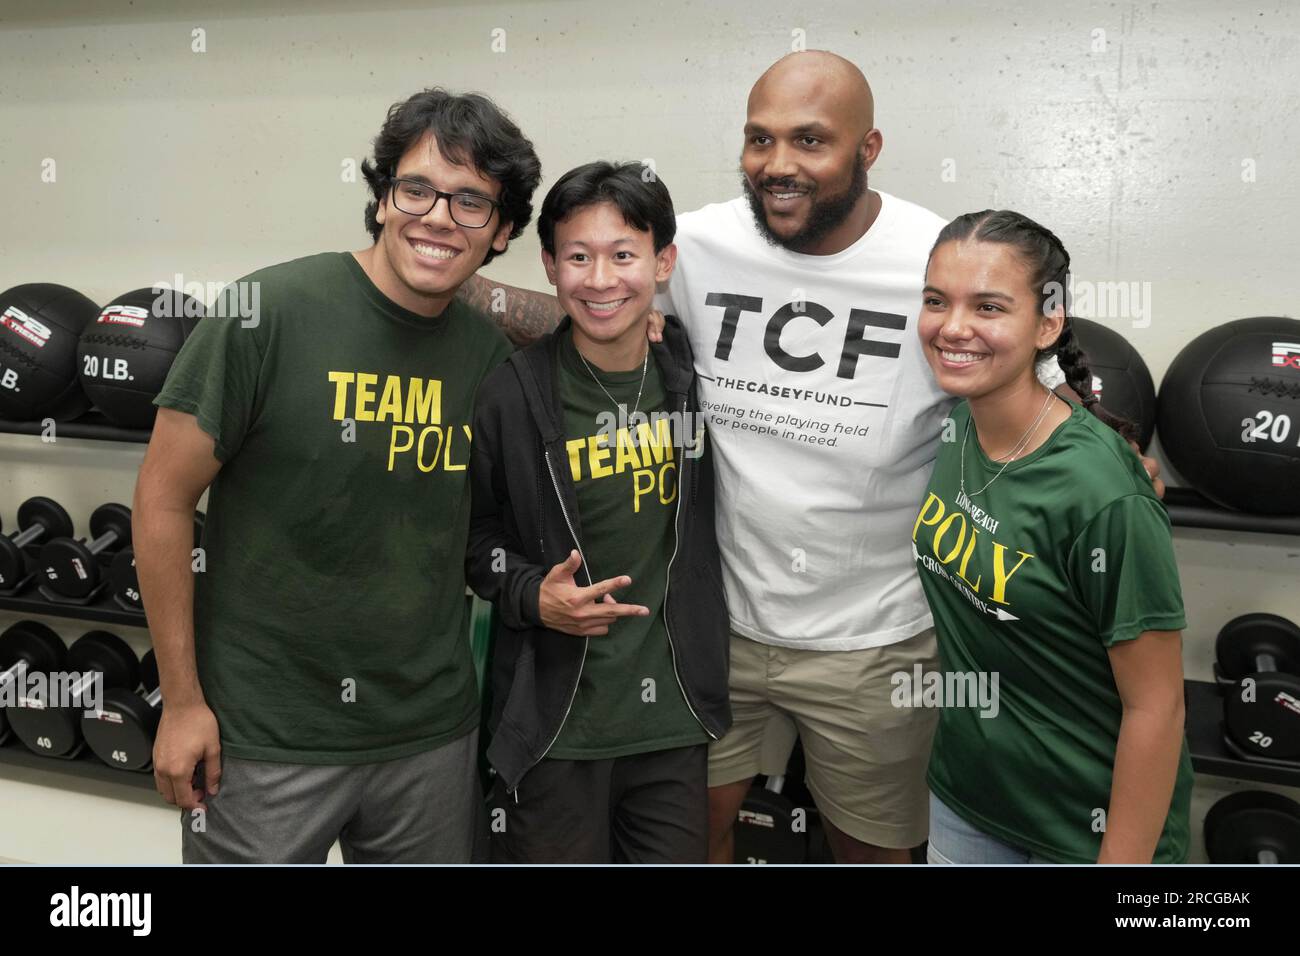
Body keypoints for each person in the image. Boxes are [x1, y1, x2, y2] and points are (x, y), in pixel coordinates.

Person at [458, 50, 1161, 864]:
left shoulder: (933, 257)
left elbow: (1014, 371)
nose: (778, 165)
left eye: (810, 141)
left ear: (868, 150)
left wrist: (1105, 447)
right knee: (696, 837)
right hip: (713, 632)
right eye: (759, 140)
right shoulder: (703, 241)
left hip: (874, 642)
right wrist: (439, 277)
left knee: (872, 850)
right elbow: (595, 296)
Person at [134, 88, 541, 863]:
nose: (437, 217)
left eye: (471, 202)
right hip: (262, 736)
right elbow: (161, 499)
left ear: (503, 231)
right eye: (415, 188)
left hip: (429, 735)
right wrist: (182, 702)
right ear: (383, 198)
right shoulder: (268, 314)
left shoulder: (488, 357)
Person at [466, 161, 730, 863]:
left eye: (624, 255)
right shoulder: (512, 396)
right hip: (556, 725)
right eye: (578, 257)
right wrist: (531, 595)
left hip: (674, 722)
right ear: (550, 266)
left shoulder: (688, 373)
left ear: (662, 261)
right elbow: (475, 538)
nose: (602, 279)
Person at [913, 209, 1191, 863]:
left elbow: (1158, 710)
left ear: (1047, 322)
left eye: (988, 306)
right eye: (935, 300)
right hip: (968, 797)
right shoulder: (958, 423)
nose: (953, 327)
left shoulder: (1104, 492)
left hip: (1083, 829)